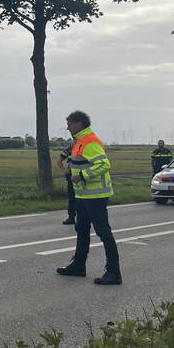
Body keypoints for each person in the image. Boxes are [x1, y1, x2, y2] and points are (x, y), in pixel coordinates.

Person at [56, 110, 121, 285]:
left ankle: (114, 272)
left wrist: (83, 175)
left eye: (69, 124)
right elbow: (78, 160)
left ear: (79, 124)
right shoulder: (79, 142)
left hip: (96, 195)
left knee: (103, 231)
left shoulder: (90, 142)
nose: (68, 127)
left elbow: (104, 164)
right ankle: (78, 265)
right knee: (81, 229)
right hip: (83, 195)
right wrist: (70, 168)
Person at [56, 142, 76, 225]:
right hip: (72, 176)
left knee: (80, 198)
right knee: (72, 197)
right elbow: (59, 159)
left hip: (82, 176)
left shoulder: (85, 148)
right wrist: (64, 170)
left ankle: (80, 217)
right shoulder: (70, 148)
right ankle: (71, 217)